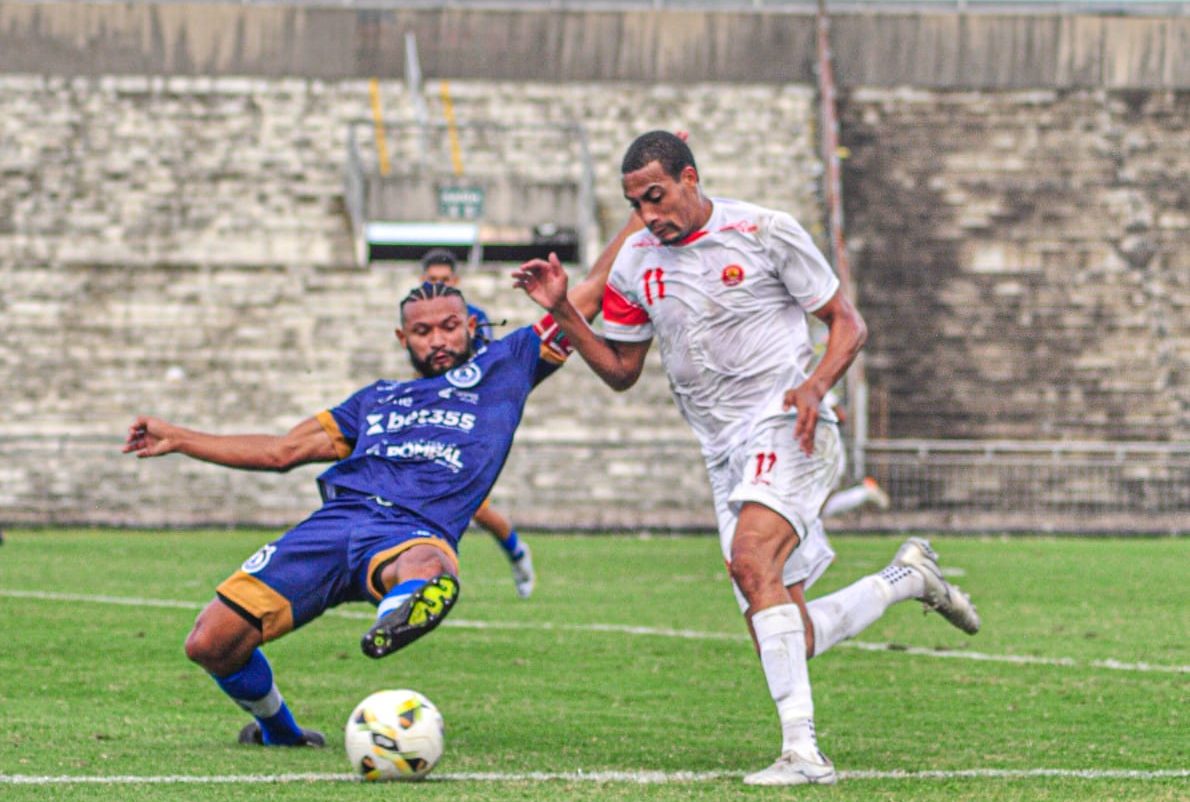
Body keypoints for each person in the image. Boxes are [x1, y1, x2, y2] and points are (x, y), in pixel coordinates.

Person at [513, 131, 979, 786]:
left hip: (792, 425)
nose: (647, 216)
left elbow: (847, 322)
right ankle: (906, 580)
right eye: (635, 205)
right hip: (724, 453)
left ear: (690, 178)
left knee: (752, 561)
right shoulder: (634, 265)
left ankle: (804, 753)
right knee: (786, 631)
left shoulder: (764, 231)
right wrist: (564, 309)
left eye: (656, 197)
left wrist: (817, 384)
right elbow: (620, 371)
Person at [121, 223, 635, 748]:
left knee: (429, 566)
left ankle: (404, 608)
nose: (438, 340)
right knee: (210, 642)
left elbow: (593, 288)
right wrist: (181, 438)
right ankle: (282, 733)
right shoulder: (375, 399)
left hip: (413, 529)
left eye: (450, 326)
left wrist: (638, 214)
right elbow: (282, 452)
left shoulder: (507, 365)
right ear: (402, 339)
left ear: (471, 325)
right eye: (423, 332)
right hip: (335, 524)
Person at [419, 248, 535, 598]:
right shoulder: (416, 319)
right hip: (430, 418)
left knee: (473, 506)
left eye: (444, 280)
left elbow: (487, 373)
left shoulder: (474, 319)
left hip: (468, 420)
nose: (437, 286)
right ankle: (423, 574)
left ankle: (515, 551)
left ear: (455, 282)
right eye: (431, 281)